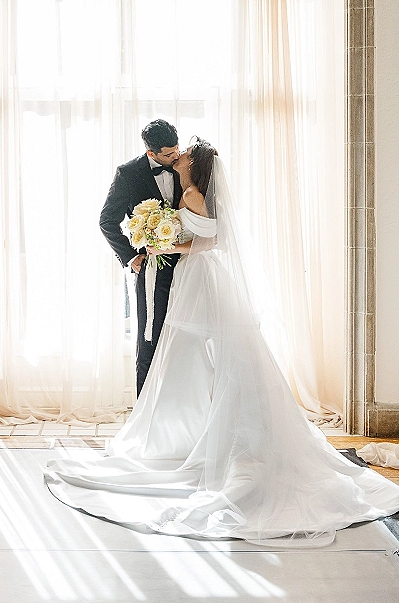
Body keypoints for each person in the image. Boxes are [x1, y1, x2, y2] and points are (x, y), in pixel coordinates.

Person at [46, 139, 399, 547]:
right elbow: (203, 236)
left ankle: (202, 434)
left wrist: (164, 243)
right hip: (197, 276)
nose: (177, 156)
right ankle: (194, 430)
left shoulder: (193, 193)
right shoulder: (184, 190)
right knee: (194, 355)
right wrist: (154, 243)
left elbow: (210, 241)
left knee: (194, 351)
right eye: (172, 151)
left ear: (192, 164)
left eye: (183, 153)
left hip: (199, 277)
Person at [99, 119, 183, 395]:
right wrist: (130, 257)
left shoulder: (185, 166)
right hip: (152, 270)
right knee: (150, 338)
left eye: (176, 150)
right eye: (168, 154)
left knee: (185, 341)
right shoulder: (128, 174)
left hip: (189, 266)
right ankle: (145, 416)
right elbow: (107, 220)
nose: (175, 157)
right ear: (151, 153)